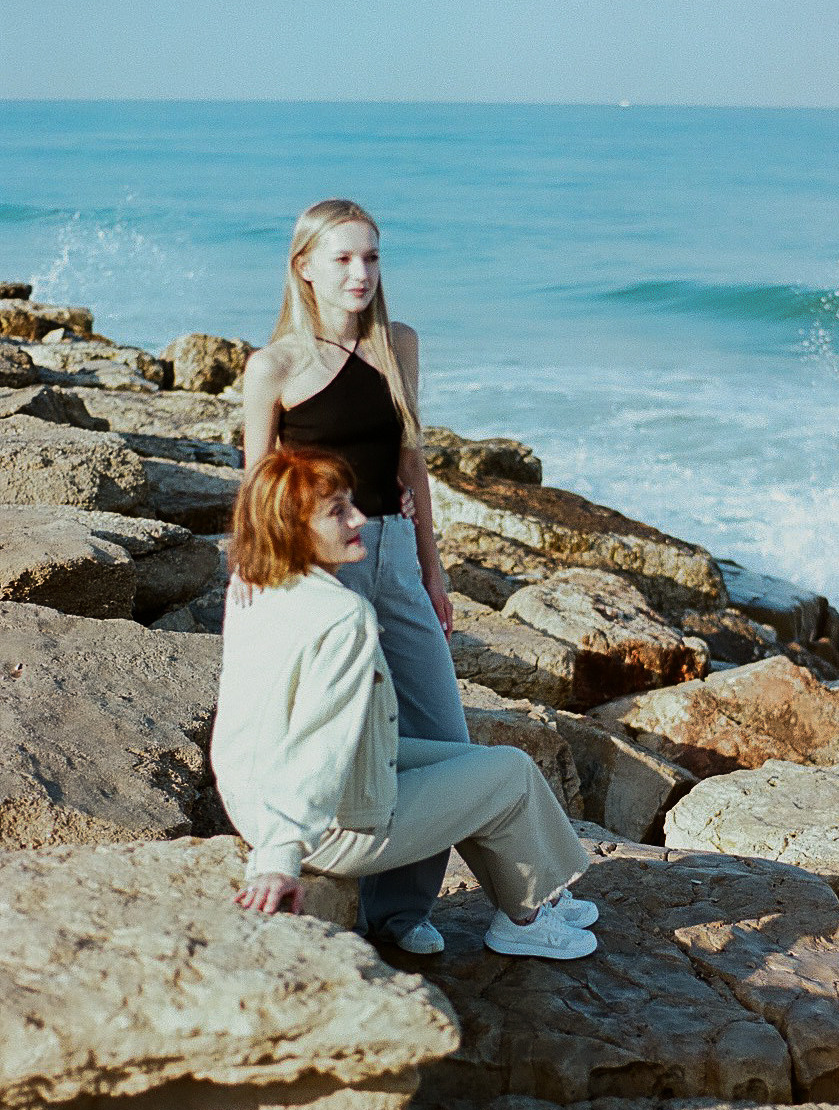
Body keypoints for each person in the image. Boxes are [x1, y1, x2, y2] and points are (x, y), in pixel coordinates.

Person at [211, 447, 599, 960]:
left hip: (252, 799)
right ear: (292, 528)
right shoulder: (342, 615)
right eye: (337, 512)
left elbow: (242, 718)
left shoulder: (255, 588)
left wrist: (263, 823)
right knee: (507, 771)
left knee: (491, 767)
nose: (360, 520)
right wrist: (279, 855)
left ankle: (539, 892)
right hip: (328, 826)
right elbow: (318, 742)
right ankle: (522, 922)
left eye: (352, 504)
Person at [241, 198, 464, 956]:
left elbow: (411, 466)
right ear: (304, 266)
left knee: (442, 730)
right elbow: (257, 486)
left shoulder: (398, 344)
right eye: (341, 258)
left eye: (370, 257)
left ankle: (403, 912)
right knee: (347, 733)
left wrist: (434, 570)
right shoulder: (272, 366)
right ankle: (335, 875)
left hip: (394, 550)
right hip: (319, 568)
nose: (359, 272)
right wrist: (254, 573)